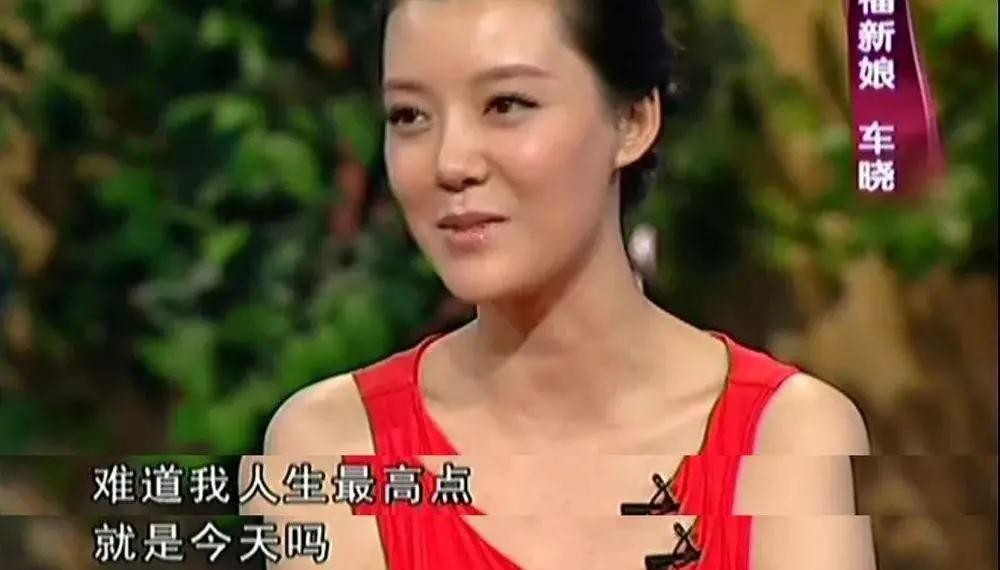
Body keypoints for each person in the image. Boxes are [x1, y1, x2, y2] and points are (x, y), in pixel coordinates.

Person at [241, 0, 877, 568]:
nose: (450, 163)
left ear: (632, 121)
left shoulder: (785, 436)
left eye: (506, 105)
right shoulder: (332, 450)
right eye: (409, 115)